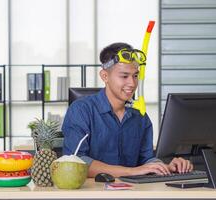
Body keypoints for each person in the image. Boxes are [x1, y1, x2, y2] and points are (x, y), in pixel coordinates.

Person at [62, 42, 193, 178]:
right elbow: (76, 162)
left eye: (135, 76)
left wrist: (165, 167)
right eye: (124, 76)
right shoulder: (81, 110)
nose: (132, 83)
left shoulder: (140, 117)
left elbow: (145, 160)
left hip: (132, 192)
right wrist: (132, 171)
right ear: (105, 76)